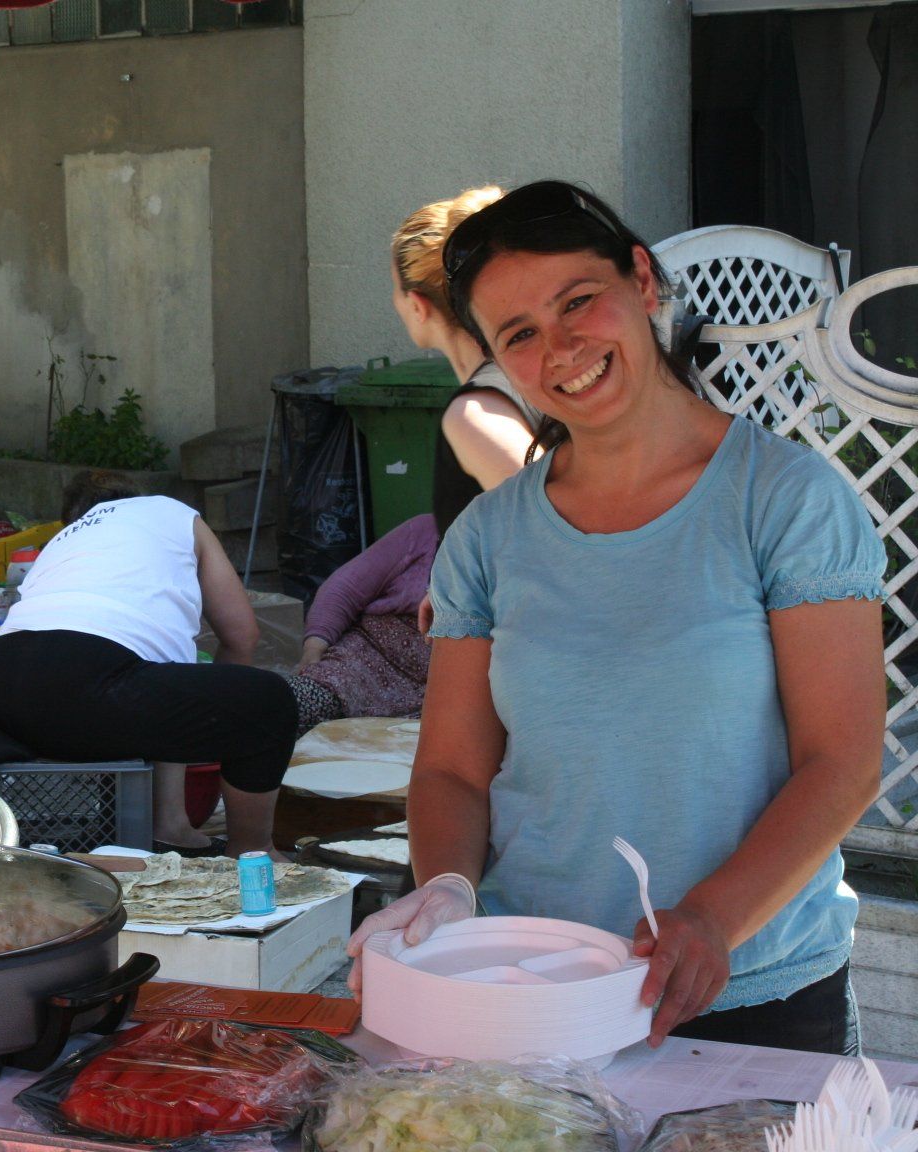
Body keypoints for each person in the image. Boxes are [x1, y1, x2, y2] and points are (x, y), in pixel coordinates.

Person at [345, 180, 885, 1055]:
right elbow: (451, 770)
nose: (561, 348)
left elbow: (842, 761)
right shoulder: (488, 536)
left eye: (578, 301)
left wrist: (712, 919)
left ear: (640, 279)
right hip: (533, 987)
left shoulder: (787, 502)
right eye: (519, 335)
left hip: (754, 994)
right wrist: (446, 887)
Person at [0, 471, 298, 860]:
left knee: (162, 683)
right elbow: (241, 637)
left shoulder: (64, 540)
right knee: (267, 702)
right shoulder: (174, 513)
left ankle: (171, 827)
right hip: (90, 685)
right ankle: (253, 851)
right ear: (135, 496)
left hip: (3, 685)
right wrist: (229, 730)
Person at [391, 186, 539, 538]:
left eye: (395, 289)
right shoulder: (527, 373)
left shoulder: (476, 416)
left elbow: (558, 537)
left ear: (417, 305)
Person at [285, 512, 437, 734]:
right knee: (294, 706)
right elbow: (344, 588)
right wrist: (313, 649)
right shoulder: (427, 530)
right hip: (363, 663)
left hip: (439, 692)